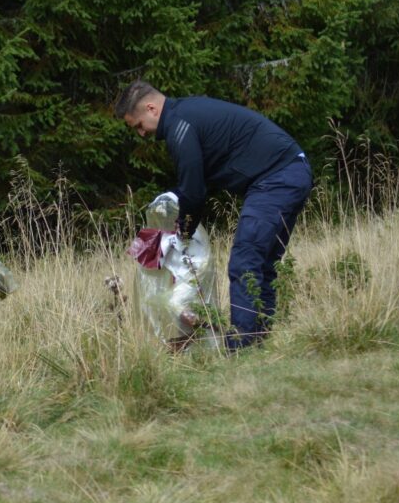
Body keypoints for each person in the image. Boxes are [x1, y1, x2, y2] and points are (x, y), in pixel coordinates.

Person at [114, 80, 313, 350]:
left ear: (151, 108)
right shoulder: (185, 116)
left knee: (245, 259)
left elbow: (194, 192)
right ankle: (259, 340)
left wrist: (183, 233)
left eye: (138, 125)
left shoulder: (179, 127)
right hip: (290, 171)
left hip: (277, 178)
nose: (141, 134)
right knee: (262, 263)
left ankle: (241, 345)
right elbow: (193, 185)